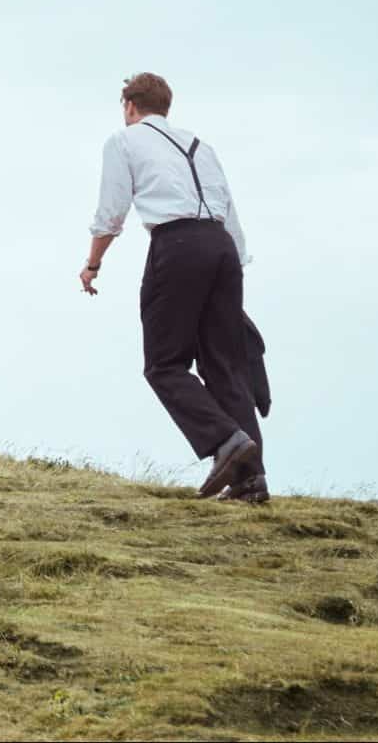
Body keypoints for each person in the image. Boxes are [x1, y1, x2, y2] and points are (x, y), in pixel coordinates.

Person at [80, 73, 268, 503]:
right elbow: (231, 216)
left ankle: (226, 441)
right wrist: (230, 277)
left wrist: (93, 263)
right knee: (225, 367)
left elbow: (112, 211)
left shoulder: (123, 141)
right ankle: (251, 483)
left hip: (177, 244)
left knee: (164, 364)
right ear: (166, 106)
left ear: (129, 105)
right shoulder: (203, 147)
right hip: (221, 250)